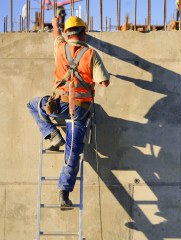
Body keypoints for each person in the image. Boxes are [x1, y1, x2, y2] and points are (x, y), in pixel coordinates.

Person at [27, 16, 110, 208]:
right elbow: (104, 82)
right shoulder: (90, 54)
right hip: (79, 111)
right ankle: (63, 193)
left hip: (57, 106)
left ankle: (52, 134)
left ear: (67, 33)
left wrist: (55, 24)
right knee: (72, 153)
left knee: (33, 105)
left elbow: (56, 35)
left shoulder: (60, 47)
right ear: (84, 33)